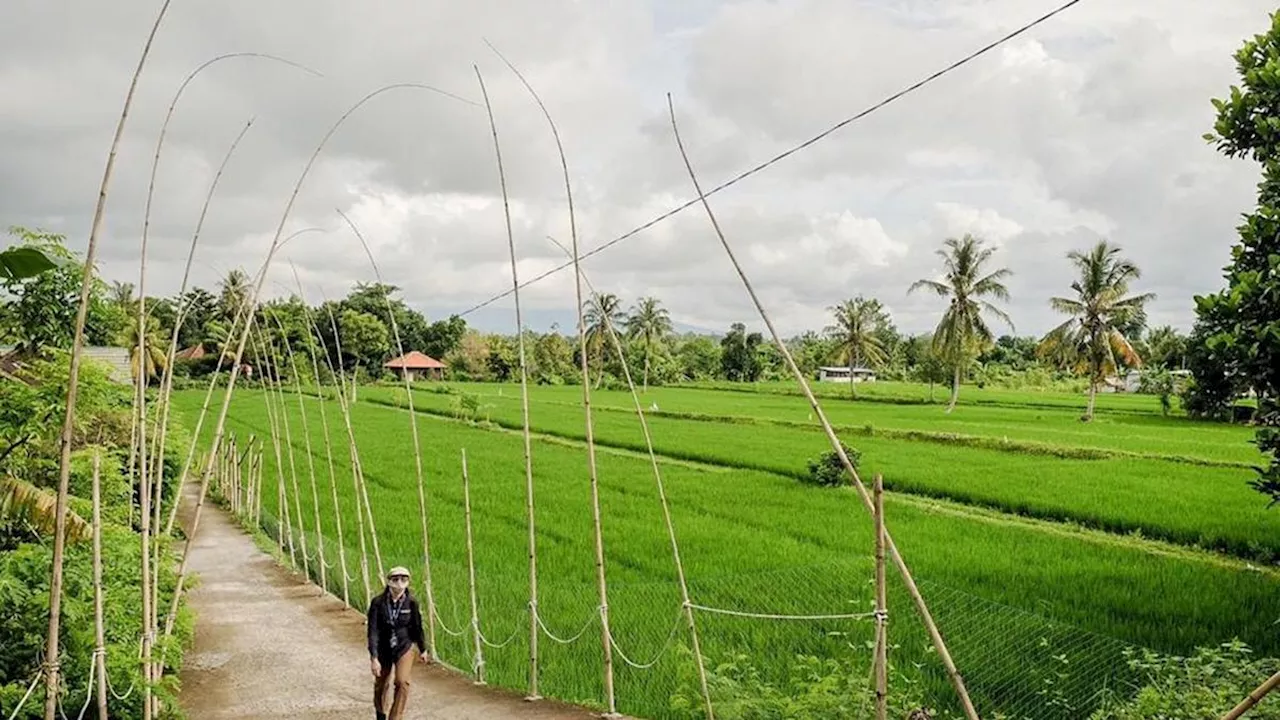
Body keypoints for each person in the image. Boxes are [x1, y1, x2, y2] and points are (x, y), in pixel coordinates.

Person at [366, 566, 428, 720]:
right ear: (389, 582)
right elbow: (372, 631)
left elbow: (417, 627)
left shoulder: (411, 602)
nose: (399, 583)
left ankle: (396, 717)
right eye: (395, 579)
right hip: (383, 648)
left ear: (408, 582)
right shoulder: (378, 603)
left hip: (404, 647)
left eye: (403, 579)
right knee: (381, 683)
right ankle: (380, 712)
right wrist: (374, 657)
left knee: (402, 682)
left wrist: (423, 649)